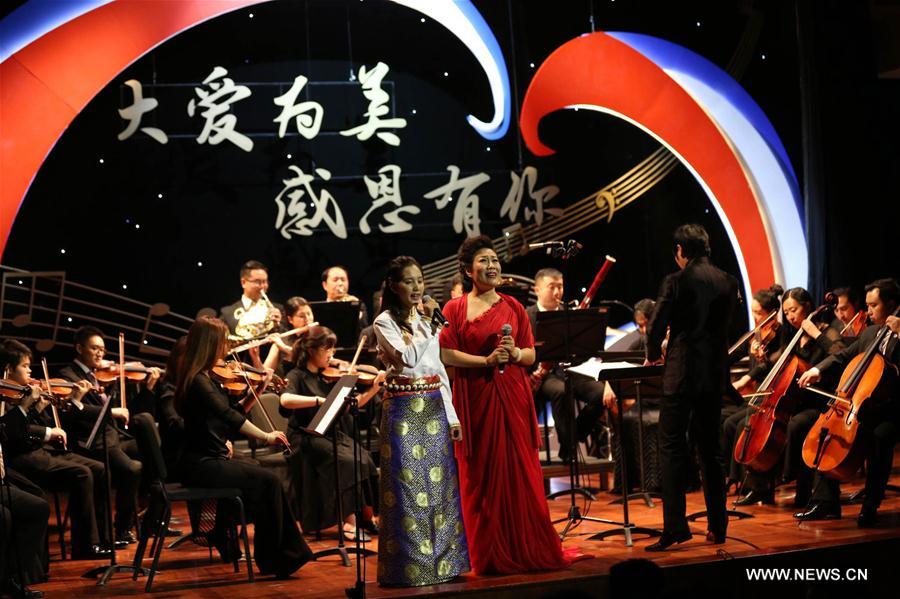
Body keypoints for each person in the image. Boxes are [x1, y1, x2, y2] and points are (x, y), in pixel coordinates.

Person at [439, 235, 571, 574]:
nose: (492, 265)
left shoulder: (513, 306)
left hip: (512, 394)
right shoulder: (454, 308)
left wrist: (513, 354)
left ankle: (526, 545)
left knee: (519, 471)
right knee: (480, 474)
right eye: (483, 261)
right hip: (474, 396)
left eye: (494, 259)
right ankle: (488, 553)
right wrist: (484, 361)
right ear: (468, 270)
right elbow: (446, 354)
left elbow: (530, 354)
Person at [174, 316, 312, 577]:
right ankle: (276, 558)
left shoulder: (205, 378)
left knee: (262, 476)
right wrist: (266, 435)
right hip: (200, 464)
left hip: (209, 459)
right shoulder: (199, 382)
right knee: (269, 481)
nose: (226, 349)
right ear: (209, 344)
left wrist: (256, 391)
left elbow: (230, 413)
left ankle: (239, 540)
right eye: (222, 343)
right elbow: (231, 418)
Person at [372, 256, 470, 586]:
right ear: (394, 286)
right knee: (408, 490)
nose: (417, 287)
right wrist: (431, 327)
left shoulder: (426, 321)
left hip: (433, 407)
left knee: (440, 490)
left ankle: (445, 566)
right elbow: (409, 359)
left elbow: (437, 370)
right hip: (402, 409)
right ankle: (410, 570)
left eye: (420, 280)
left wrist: (452, 415)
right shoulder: (384, 322)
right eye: (409, 281)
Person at [643, 224, 739, 551]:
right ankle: (718, 525)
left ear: (681, 251)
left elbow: (655, 327)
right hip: (713, 375)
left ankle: (675, 528)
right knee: (710, 450)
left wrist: (652, 354)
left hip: (682, 373)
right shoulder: (728, 281)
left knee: (671, 446)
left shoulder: (676, 280)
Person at [727, 288, 844, 508]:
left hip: (817, 401)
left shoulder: (827, 332)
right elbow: (778, 362)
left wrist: (816, 334)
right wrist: (762, 357)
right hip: (793, 401)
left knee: (795, 425)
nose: (790, 316)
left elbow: (840, 353)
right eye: (787, 312)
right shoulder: (793, 336)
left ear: (808, 307)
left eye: (794, 310)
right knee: (749, 422)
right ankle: (758, 487)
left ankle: (794, 481)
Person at [797, 278, 900, 526]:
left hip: (893, 410)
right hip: (864, 406)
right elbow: (843, 356)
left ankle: (871, 504)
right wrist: (817, 371)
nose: (869, 311)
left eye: (874, 305)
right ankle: (826, 503)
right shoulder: (870, 332)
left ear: (892, 304)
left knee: (880, 437)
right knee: (829, 432)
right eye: (867, 305)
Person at [0, 340, 110, 560]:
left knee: (99, 468)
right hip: (23, 457)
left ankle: (103, 538)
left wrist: (38, 407)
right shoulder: (6, 396)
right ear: (9, 369)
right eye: (25, 366)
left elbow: (35, 424)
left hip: (40, 452)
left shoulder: (23, 393)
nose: (30, 371)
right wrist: (45, 430)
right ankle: (86, 545)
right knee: (82, 473)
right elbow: (15, 434)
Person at [278, 326, 383, 539]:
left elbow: (345, 408)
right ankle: (349, 523)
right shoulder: (296, 375)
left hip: (329, 433)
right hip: (305, 435)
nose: (331, 355)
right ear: (311, 350)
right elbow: (285, 400)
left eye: (332, 350)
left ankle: (367, 517)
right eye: (327, 349)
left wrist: (374, 389)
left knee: (364, 458)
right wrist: (318, 400)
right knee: (347, 462)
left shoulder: (328, 377)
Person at [58, 325, 152, 544]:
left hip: (112, 436)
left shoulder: (99, 375)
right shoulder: (68, 375)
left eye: (102, 349)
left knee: (151, 453)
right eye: (94, 348)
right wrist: (111, 411)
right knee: (132, 468)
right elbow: (75, 412)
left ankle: (152, 520)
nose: (100, 354)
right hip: (91, 441)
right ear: (79, 348)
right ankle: (122, 527)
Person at [526, 267, 606, 462]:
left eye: (560, 287)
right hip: (542, 376)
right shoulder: (526, 316)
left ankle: (574, 436)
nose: (557, 293)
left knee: (600, 393)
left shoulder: (569, 314)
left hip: (568, 370)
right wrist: (532, 374)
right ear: (537, 289)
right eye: (551, 287)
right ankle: (568, 451)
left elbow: (580, 352)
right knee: (561, 391)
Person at [719, 285, 782, 490]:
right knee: (724, 421)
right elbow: (732, 356)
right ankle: (731, 476)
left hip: (770, 396)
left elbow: (770, 366)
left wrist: (746, 378)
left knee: (735, 424)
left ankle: (746, 481)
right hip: (756, 395)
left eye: (759, 313)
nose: (755, 317)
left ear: (771, 313)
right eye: (753, 312)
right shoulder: (755, 334)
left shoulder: (779, 334)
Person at [220, 260, 283, 335]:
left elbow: (288, 340)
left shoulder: (278, 309)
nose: (262, 286)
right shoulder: (227, 314)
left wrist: (278, 325)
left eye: (265, 282)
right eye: (258, 282)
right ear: (243, 282)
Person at [261, 296, 315, 373]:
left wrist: (282, 346)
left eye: (309, 314)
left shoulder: (318, 336)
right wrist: (255, 357)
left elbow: (308, 358)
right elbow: (265, 372)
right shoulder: (282, 341)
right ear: (290, 319)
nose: (307, 319)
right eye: (301, 316)